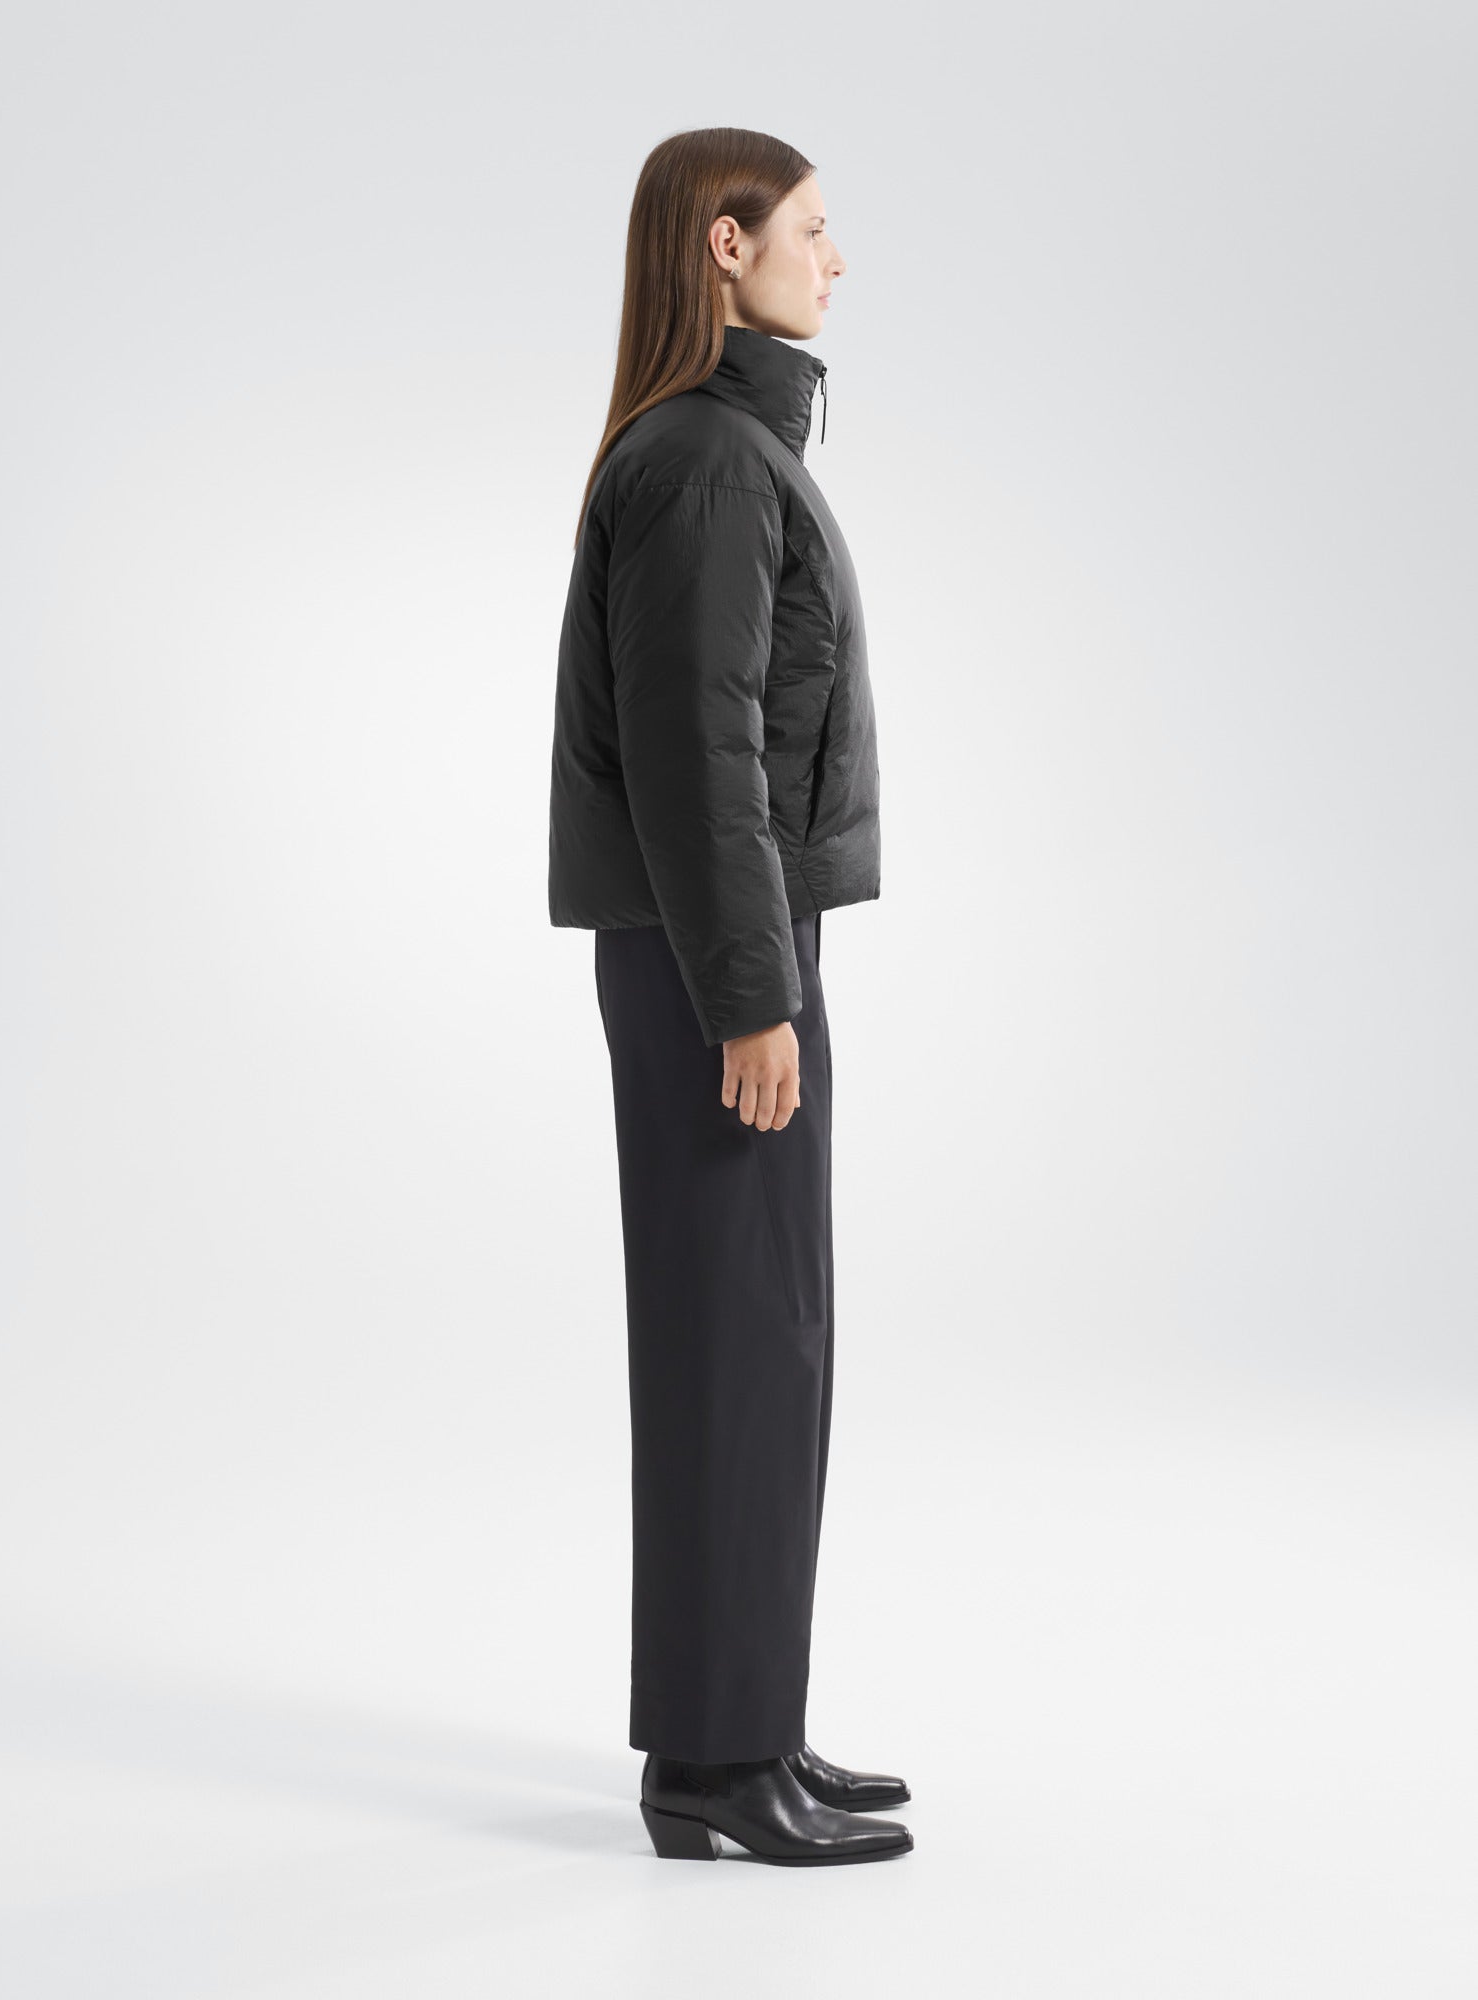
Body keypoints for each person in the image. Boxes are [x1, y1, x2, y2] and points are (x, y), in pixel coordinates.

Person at [548, 127, 911, 1867]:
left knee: (762, 1340)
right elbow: (701, 765)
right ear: (724, 242)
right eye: (813, 229)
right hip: (719, 957)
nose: (834, 261)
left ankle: (743, 1726)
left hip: (731, 944)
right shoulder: (703, 461)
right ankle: (715, 1763)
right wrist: (751, 1000)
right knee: (735, 1345)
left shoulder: (720, 448)